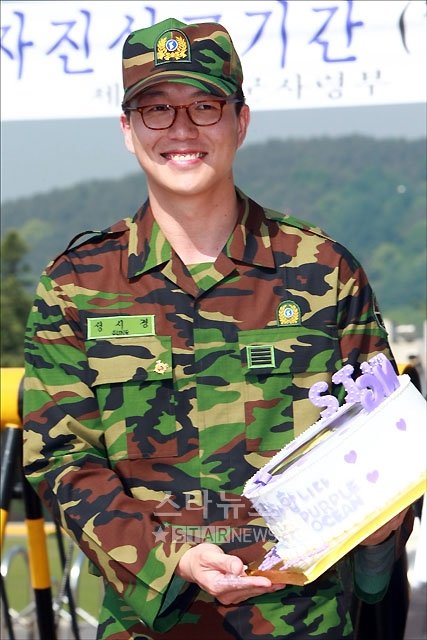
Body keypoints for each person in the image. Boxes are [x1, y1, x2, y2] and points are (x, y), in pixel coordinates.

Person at [23, 18, 413, 640]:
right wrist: (170, 562)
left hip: (301, 620)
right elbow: (62, 457)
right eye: (156, 110)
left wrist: (379, 533)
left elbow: (384, 440)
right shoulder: (78, 283)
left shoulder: (322, 270)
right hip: (146, 623)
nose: (181, 130)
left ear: (241, 121)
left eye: (204, 106)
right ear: (127, 129)